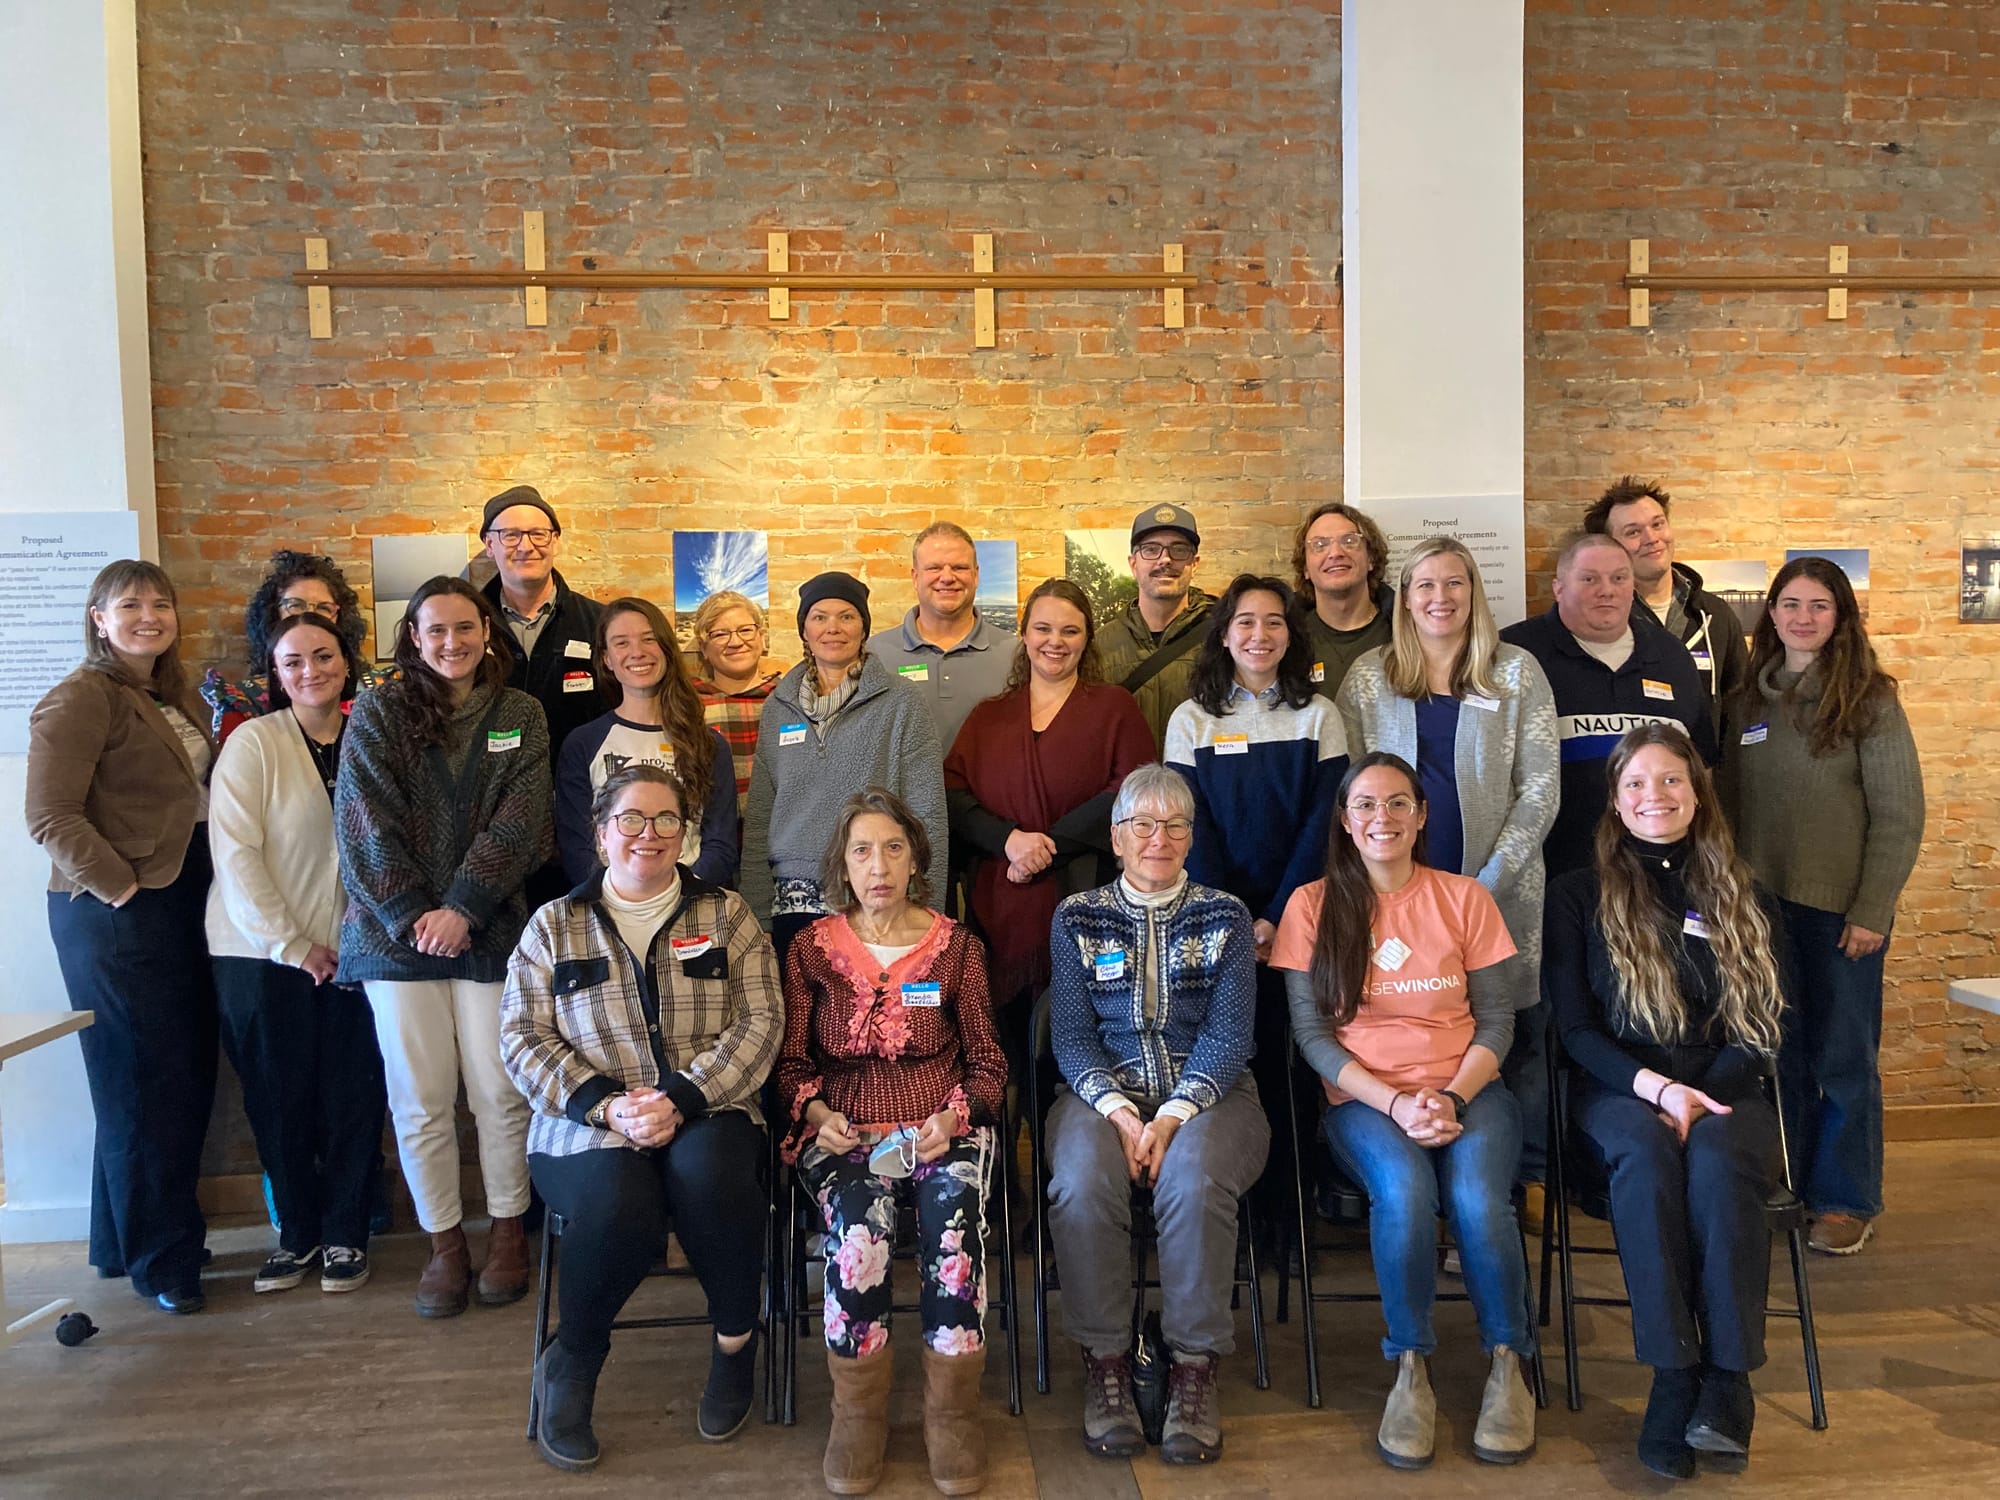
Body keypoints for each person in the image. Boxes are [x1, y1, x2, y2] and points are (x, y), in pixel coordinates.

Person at [502, 764, 782, 1468]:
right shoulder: (553, 926)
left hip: (709, 1105)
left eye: (665, 820)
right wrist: (606, 1106)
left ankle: (735, 1345)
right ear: (600, 835)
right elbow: (521, 1037)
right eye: (630, 819)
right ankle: (574, 1359)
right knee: (619, 1206)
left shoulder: (726, 914)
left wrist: (681, 1097)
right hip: (585, 1124)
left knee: (712, 1178)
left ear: (685, 834)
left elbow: (761, 1022)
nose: (647, 835)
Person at [1271, 753, 1536, 1471]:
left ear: (1420, 816)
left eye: (1396, 804)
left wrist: (1448, 1097)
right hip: (1363, 1100)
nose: (1380, 818)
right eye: (1364, 805)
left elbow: (1498, 1023)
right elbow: (1312, 1038)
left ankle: (1509, 1363)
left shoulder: (1464, 899)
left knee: (1480, 1201)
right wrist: (1396, 1101)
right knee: (1406, 1192)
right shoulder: (1310, 906)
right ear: (1345, 820)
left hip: (1469, 1090)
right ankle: (1410, 1367)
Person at [1545, 723, 1788, 1479]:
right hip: (1620, 1086)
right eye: (1637, 784)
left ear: (1697, 792)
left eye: (1671, 780)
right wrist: (1657, 1089)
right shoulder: (1576, 896)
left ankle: (1730, 1379)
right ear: (1616, 803)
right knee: (1647, 1160)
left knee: (1716, 1164)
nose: (1656, 796)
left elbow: (1769, 1023)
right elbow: (1574, 1027)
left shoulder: (1744, 893)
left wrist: (1699, 1094)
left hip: (1725, 1088)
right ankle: (1673, 1374)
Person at [335, 575, 552, 1318]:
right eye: (436, 631)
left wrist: (462, 906)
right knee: (421, 1100)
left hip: (489, 926)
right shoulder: (380, 709)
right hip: (395, 938)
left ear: (487, 631)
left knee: (499, 1093)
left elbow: (522, 819)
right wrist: (413, 912)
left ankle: (507, 1235)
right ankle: (444, 1246)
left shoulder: (520, 713)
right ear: (413, 638)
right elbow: (363, 820)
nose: (451, 643)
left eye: (465, 628)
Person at [779, 788, 1007, 1496]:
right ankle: (858, 1414)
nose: (878, 866)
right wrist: (817, 1114)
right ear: (840, 867)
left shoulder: (958, 949)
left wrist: (954, 1118)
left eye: (893, 848)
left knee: (952, 1222)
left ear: (916, 860)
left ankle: (951, 1414)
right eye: (861, 851)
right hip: (843, 1132)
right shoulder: (809, 950)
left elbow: (989, 1063)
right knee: (860, 1231)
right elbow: (789, 1063)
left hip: (942, 1129)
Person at [1045, 764, 1269, 1466]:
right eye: (1142, 824)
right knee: (1081, 1180)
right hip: (1097, 1096)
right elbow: (1073, 1037)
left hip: (1213, 1097)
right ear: (1116, 838)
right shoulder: (1076, 916)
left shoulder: (1226, 915)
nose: (1158, 838)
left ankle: (1194, 1368)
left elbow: (1231, 1038)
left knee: (1194, 1180)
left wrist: (1170, 1117)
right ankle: (1108, 1362)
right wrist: (1120, 1115)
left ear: (1191, 836)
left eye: (1174, 825)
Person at [26, 560, 219, 1314]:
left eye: (160, 604)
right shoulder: (80, 697)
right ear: (98, 617)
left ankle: (121, 1239)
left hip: (173, 904)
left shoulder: (162, 695)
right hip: (117, 913)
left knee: (160, 1075)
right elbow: (50, 816)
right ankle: (163, 1261)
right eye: (130, 604)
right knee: (144, 1084)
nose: (149, 615)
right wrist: (124, 890)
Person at [1336, 538, 1561, 1180]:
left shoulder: (1516, 672)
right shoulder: (1370, 678)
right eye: (1425, 584)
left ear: (1474, 593)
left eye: (1455, 583)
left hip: (1499, 896)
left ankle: (1501, 1196)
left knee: (1501, 1040)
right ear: (1404, 598)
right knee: (1406, 1038)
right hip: (1393, 908)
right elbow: (1352, 795)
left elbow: (1541, 787)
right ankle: (1419, 1197)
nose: (1441, 597)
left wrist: (1485, 886)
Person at [1719, 556, 1923, 1257]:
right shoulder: (1748, 700)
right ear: (1769, 614)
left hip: (1840, 914)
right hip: (1760, 913)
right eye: (1790, 604)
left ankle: (1844, 1199)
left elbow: (1899, 814)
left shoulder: (1869, 700)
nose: (1802, 617)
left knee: (1842, 1057)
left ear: (1840, 618)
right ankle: (1791, 1186)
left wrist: (1873, 910)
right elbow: (1730, 805)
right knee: (1778, 1053)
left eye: (1819, 606)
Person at [206, 611, 386, 1295]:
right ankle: (297, 1237)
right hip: (262, 957)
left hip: (354, 956)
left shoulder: (368, 737)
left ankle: (345, 1234)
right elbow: (236, 856)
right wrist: (292, 945)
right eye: (293, 661)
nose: (311, 670)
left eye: (324, 655)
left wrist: (351, 944)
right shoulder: (253, 744)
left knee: (352, 1098)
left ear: (346, 662)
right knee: (279, 1104)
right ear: (275, 674)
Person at [1163, 574, 1347, 1218]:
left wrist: (1278, 916)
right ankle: (1232, 1218)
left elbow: (1324, 825)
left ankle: (1289, 1217)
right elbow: (1194, 829)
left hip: (1300, 920)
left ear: (1291, 635)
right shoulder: (1190, 720)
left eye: (1274, 622)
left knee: (1292, 1064)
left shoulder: (1319, 716)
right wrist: (1238, 920)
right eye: (1245, 621)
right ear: (1224, 634)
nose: (1259, 634)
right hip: (1217, 925)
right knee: (1227, 1063)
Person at [943, 577, 1153, 1080]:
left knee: (1080, 1055)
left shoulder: (1113, 708)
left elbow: (1132, 788)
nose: (1054, 641)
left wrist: (1049, 847)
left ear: (1086, 640)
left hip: (1087, 901)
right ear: (1024, 633)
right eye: (1042, 628)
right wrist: (1009, 840)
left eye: (1070, 630)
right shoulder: (988, 716)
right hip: (999, 909)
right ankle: (1016, 1156)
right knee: (1005, 1054)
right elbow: (952, 792)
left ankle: (1069, 1152)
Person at [741, 572, 948, 961]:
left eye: (846, 616)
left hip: (876, 894)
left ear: (864, 628)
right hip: (791, 903)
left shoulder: (902, 703)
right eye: (819, 617)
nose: (832, 628)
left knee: (875, 1020)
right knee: (803, 1020)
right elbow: (760, 817)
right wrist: (756, 911)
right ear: (804, 629)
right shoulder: (777, 707)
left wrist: (927, 909)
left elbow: (928, 814)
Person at [1501, 530, 1716, 881]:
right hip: (1551, 878)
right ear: (1558, 588)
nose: (1607, 590)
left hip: (1658, 877)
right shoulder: (1515, 654)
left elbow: (1701, 766)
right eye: (1589, 579)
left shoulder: (1670, 655)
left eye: (1619, 578)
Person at [555, 596, 739, 889]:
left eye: (648, 639)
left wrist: (679, 897)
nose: (637, 652)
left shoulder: (709, 744)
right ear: (606, 659)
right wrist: (619, 901)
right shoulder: (582, 744)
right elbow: (577, 849)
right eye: (621, 643)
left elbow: (721, 844)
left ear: (666, 649)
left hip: (691, 904)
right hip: (609, 908)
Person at [1584, 476, 1752, 712]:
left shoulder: (1716, 614)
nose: (1652, 539)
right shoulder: (1598, 618)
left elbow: (1739, 705)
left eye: (1657, 524)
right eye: (1633, 532)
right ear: (1608, 546)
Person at [200, 547, 389, 742]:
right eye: (295, 605)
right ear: (274, 613)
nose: (309, 615)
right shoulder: (246, 702)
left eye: (323, 608)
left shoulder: (376, 692)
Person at [870, 521, 1015, 754]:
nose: (947, 577)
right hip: (899, 791)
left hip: (990, 792)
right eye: (934, 568)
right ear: (915, 577)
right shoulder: (874, 654)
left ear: (976, 575)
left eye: (959, 567)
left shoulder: (1016, 653)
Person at [1094, 504, 1215, 754]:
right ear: (1133, 563)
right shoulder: (1101, 645)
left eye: (1179, 549)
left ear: (1195, 564)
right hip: (1127, 791)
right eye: (1150, 549)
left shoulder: (1221, 639)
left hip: (1199, 790)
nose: (1165, 559)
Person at [691, 589, 782, 816]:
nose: (735, 642)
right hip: (714, 839)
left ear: (762, 638)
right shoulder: (689, 706)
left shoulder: (791, 699)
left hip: (783, 838)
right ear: (703, 648)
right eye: (720, 634)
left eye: (745, 630)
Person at [1291, 501, 1395, 696]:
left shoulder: (1405, 632)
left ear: (1371, 558)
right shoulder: (1288, 637)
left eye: (1349, 541)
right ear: (1305, 567)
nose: (1336, 553)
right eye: (1319, 545)